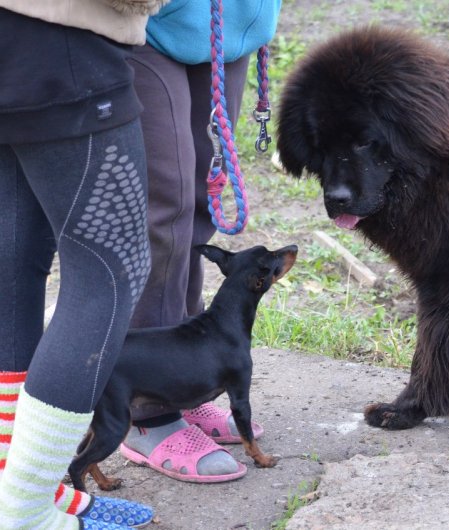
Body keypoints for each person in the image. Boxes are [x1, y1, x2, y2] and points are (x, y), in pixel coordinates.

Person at [0, 1, 166, 528]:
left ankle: (14, 481)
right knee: (110, 275)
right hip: (58, 42)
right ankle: (24, 511)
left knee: (12, 261)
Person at [121, 0, 282, 483]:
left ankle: (182, 380)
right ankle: (145, 410)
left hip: (231, 22)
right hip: (143, 17)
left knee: (198, 207)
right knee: (164, 207)